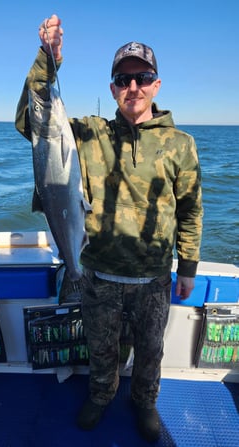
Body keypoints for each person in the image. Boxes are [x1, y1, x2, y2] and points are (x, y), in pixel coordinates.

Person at [15, 14, 203, 443]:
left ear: (157, 84)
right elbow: (33, 121)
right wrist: (49, 60)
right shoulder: (87, 133)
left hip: (153, 278)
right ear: (112, 87)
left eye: (142, 77)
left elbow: (191, 209)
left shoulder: (181, 145)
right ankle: (101, 394)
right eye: (122, 79)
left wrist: (188, 266)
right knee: (100, 348)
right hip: (97, 273)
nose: (132, 87)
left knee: (150, 352)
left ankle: (145, 401)